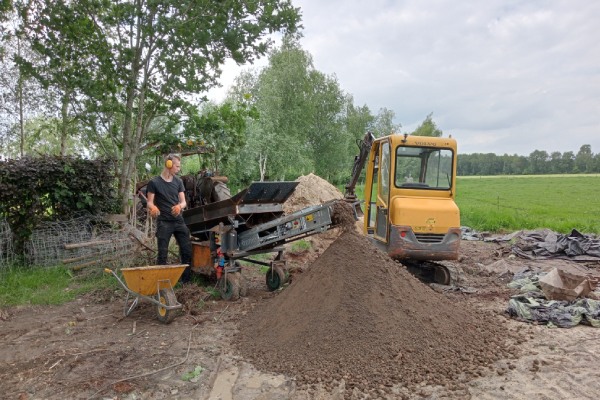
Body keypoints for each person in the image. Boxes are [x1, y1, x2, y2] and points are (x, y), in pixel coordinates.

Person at [146, 154, 192, 282]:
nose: (178, 169)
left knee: (186, 250)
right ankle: (161, 283)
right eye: (177, 166)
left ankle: (186, 281)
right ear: (168, 165)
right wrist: (153, 207)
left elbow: (184, 202)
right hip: (164, 222)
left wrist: (179, 206)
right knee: (162, 254)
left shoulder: (178, 182)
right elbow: (149, 202)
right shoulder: (154, 182)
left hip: (178, 221)